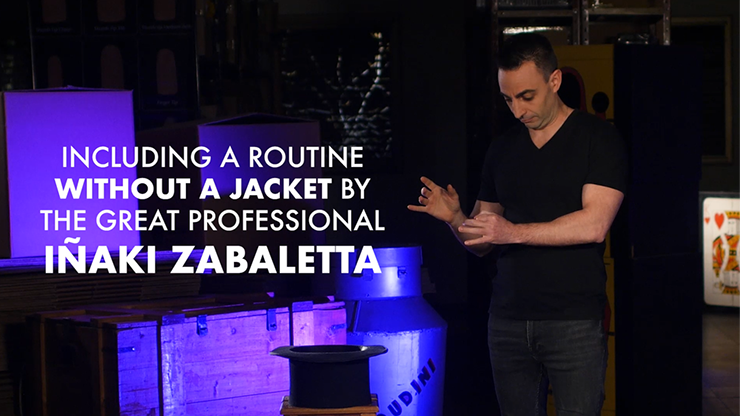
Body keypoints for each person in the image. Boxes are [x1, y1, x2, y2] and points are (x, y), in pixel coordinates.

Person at [407, 33, 627, 416]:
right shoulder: (503, 149)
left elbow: (594, 224)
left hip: (573, 321)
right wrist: (455, 218)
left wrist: (511, 232)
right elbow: (483, 240)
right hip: (507, 319)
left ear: (554, 81)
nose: (518, 110)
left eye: (527, 96)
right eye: (508, 99)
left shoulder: (598, 137)